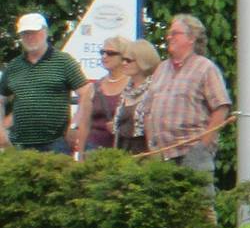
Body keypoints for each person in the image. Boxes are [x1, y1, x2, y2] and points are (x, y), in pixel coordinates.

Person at [142, 15, 232, 175]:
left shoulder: (205, 68)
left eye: (175, 33)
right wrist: (152, 145)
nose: (169, 37)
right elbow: (148, 111)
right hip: (162, 155)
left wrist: (203, 145)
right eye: (169, 33)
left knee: (197, 199)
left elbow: (221, 107)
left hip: (192, 153)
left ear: (191, 38)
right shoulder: (161, 68)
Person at [6, 12, 87, 155]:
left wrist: (75, 125)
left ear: (45, 32)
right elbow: (1, 99)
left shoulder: (64, 61)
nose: (30, 37)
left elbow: (86, 93)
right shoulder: (14, 66)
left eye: (34, 32)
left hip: (56, 142)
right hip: (19, 143)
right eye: (25, 34)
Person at [70, 38, 142, 155]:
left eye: (110, 53)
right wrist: (80, 155)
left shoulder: (134, 85)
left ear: (123, 56)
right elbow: (84, 124)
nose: (104, 56)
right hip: (93, 150)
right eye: (102, 52)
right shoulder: (94, 88)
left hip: (123, 151)